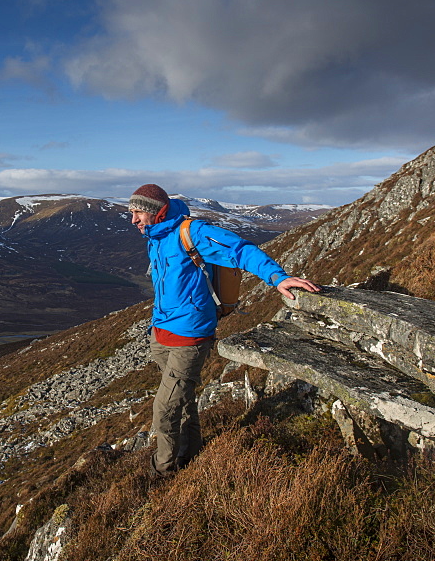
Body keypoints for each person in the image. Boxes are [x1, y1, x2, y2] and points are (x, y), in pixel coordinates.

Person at [128, 184, 320, 476]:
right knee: (184, 400)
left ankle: (162, 472)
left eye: (138, 213)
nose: (133, 220)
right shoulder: (155, 236)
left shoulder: (193, 232)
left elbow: (239, 249)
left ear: (159, 211)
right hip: (160, 335)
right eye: (131, 213)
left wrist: (277, 277)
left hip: (189, 337)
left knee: (164, 410)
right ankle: (189, 456)